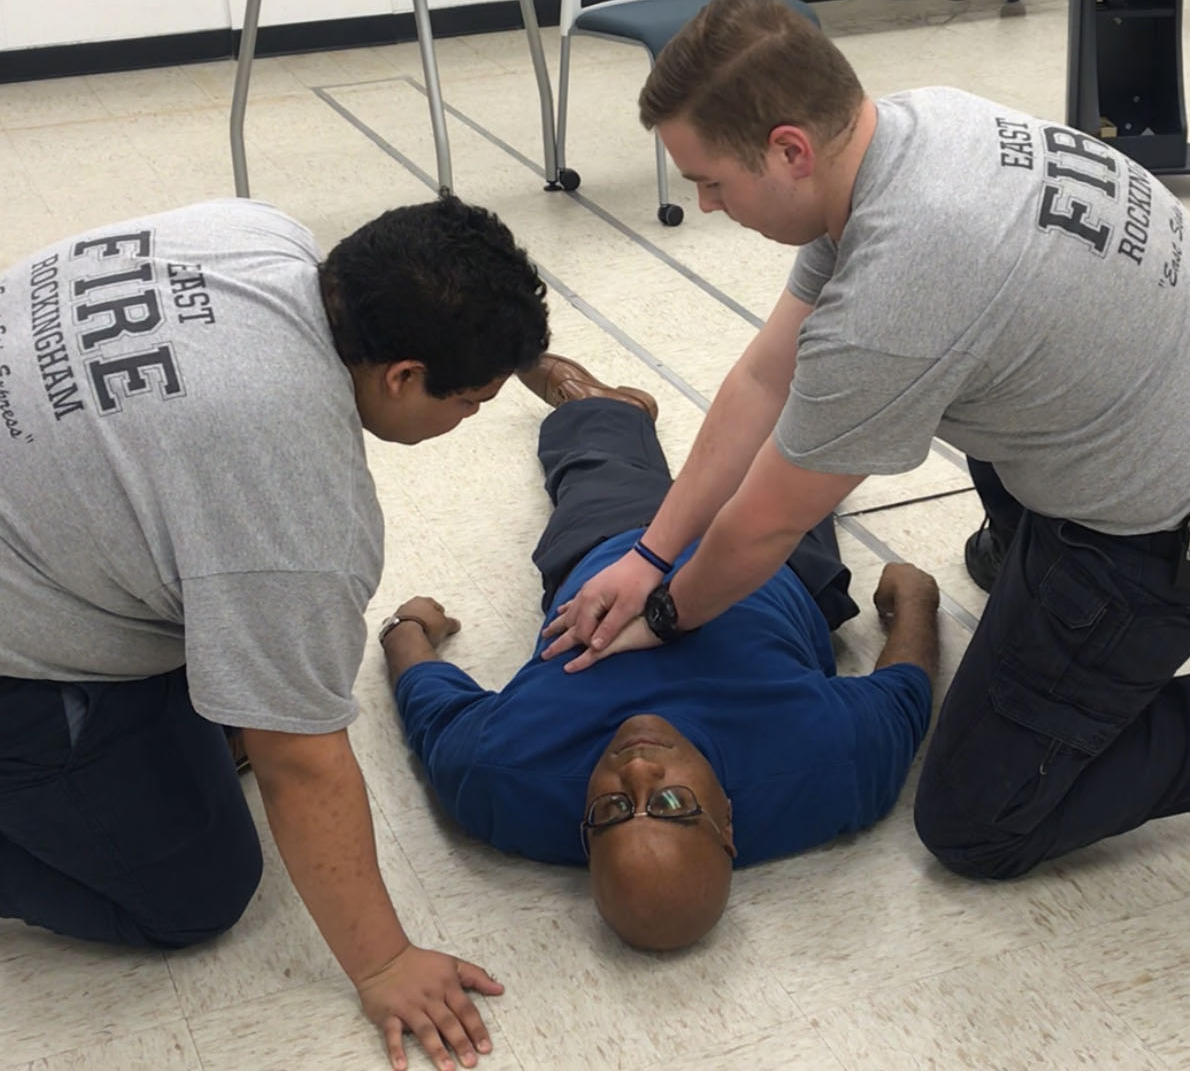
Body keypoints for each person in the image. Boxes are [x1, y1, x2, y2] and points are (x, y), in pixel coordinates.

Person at [541, 0, 1190, 883]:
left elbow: (765, 523)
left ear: (789, 150)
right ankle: (1036, 564)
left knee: (976, 821)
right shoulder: (912, 130)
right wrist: (652, 553)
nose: (706, 203)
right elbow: (769, 375)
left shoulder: (901, 284)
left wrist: (666, 612)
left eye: (713, 182)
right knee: (980, 362)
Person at [0, 195, 550, 1071]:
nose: (474, 420)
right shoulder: (297, 502)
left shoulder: (255, 235)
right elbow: (299, 757)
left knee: (218, 649)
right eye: (472, 401)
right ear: (403, 376)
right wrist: (382, 961)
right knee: (195, 891)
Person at [379, 354, 938, 950]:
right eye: (672, 802)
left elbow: (425, 701)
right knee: (800, 437)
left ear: (586, 833)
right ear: (728, 822)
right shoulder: (832, 767)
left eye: (615, 808)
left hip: (615, 547)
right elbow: (907, 690)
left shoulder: (499, 776)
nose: (639, 771)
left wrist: (407, 624)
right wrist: (915, 602)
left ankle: (598, 405)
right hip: (776, 564)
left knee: (595, 458)